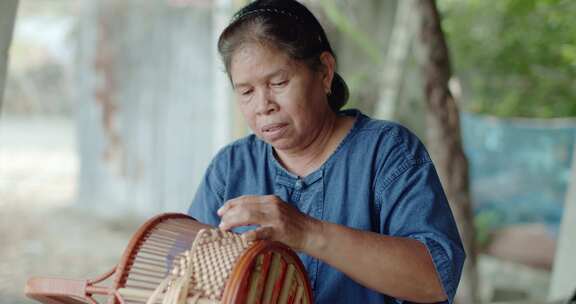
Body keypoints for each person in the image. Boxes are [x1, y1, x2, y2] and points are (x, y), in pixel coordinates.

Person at [188, 0, 465, 303]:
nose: (263, 106)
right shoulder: (230, 167)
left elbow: (436, 279)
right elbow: (188, 276)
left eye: (278, 82)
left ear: (324, 72)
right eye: (246, 92)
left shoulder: (387, 152)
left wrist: (306, 232)